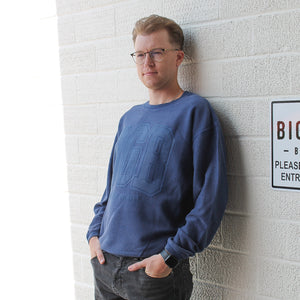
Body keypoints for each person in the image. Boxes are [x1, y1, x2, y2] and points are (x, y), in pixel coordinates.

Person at [87, 14, 228, 300]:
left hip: (152, 273)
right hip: (104, 264)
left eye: (156, 53)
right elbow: (111, 189)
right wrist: (93, 236)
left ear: (178, 57)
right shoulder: (129, 118)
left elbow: (211, 197)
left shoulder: (195, 112)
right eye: (140, 54)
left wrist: (169, 257)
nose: (147, 62)